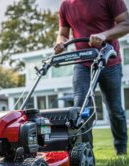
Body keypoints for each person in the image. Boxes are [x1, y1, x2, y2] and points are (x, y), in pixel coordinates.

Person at [54, 0, 129, 155]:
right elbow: (63, 34)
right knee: (81, 107)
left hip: (109, 60)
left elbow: (126, 23)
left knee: (114, 109)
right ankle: (86, 154)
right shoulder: (66, 5)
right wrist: (61, 43)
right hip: (82, 62)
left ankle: (121, 149)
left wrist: (104, 35)